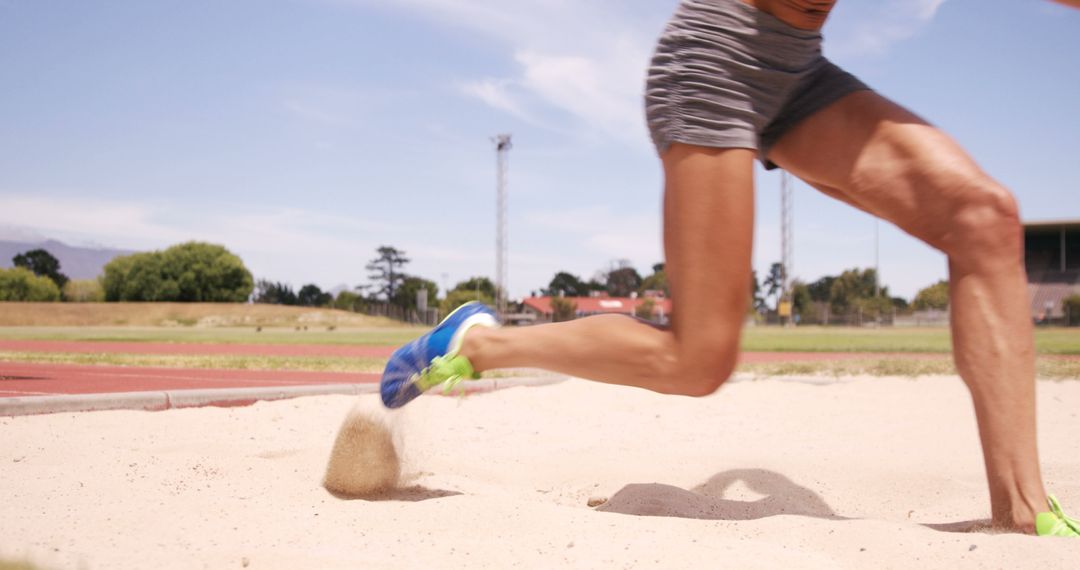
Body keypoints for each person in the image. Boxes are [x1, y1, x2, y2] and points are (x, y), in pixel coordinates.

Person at [379, 0, 1079, 536]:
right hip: (715, 59)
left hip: (799, 73)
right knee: (698, 360)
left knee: (983, 217)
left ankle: (1021, 510)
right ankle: (479, 344)